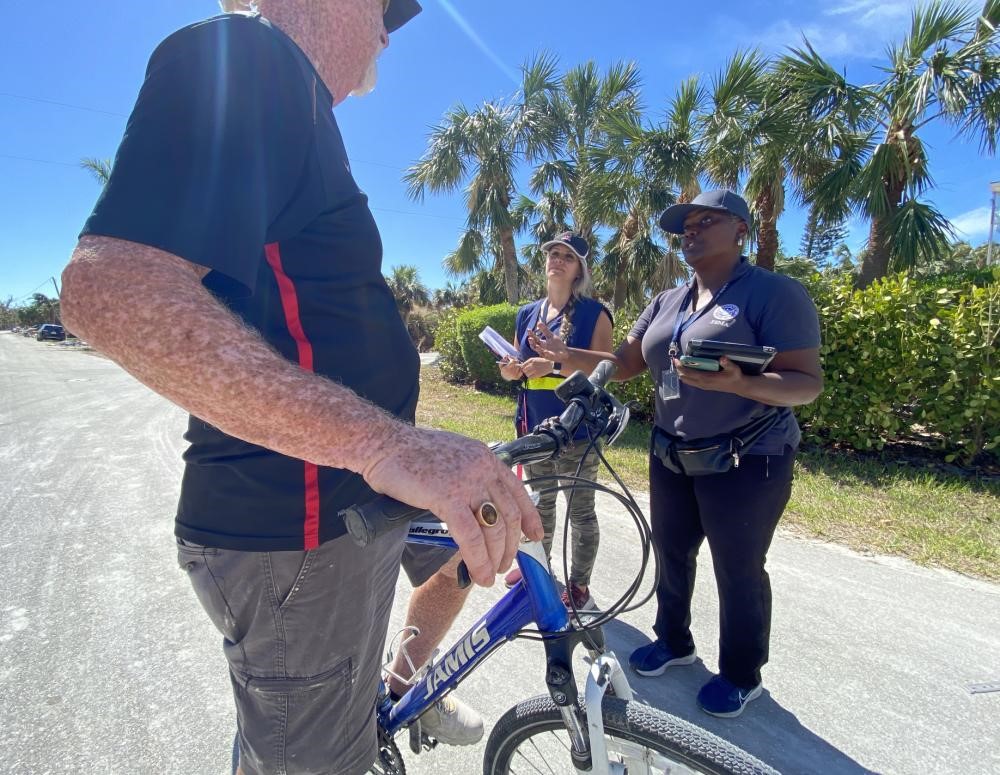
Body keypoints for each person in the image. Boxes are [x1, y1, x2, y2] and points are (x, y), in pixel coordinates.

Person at [59, 2, 541, 774]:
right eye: (387, 9)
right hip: (302, 535)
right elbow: (111, 288)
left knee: (447, 563)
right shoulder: (249, 57)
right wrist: (385, 442)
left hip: (335, 519)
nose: (390, 31)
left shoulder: (299, 106)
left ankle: (390, 687)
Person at [529, 190, 822, 718]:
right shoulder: (668, 300)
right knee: (672, 553)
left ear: (740, 230)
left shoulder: (774, 294)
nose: (692, 231)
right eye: (686, 225)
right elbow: (621, 362)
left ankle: (741, 673)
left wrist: (741, 382)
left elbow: (805, 383)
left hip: (748, 458)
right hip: (672, 456)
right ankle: (674, 641)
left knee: (738, 568)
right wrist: (563, 357)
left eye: (707, 221)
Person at [498, 232, 614, 611]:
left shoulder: (595, 314)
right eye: (553, 254)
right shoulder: (527, 313)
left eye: (568, 256)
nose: (557, 260)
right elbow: (517, 366)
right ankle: (539, 571)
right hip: (535, 426)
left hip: (577, 427)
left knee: (581, 512)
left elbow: (607, 366)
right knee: (538, 505)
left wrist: (557, 363)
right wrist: (512, 371)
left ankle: (579, 587)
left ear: (580, 268)